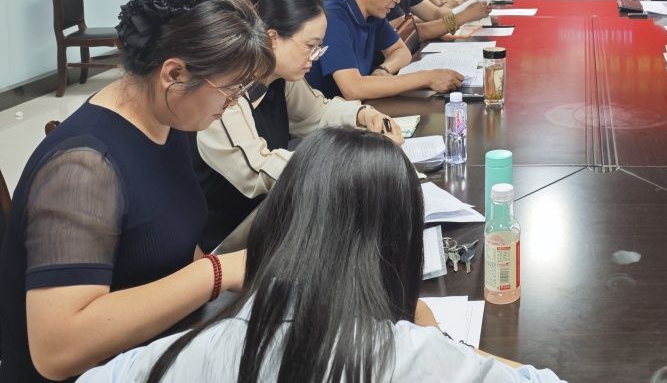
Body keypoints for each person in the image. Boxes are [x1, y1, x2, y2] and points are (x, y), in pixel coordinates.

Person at [79, 127, 564, 383]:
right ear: (397, 244)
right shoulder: (411, 354)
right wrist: (441, 340)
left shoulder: (194, 351)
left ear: (282, 220)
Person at [0, 0, 274, 382]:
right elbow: (56, 350)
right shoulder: (83, 167)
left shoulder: (169, 122)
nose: (233, 104)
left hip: (151, 350)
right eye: (229, 91)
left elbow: (168, 242)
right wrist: (214, 274)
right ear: (174, 74)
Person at [193, 0, 405, 252]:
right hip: (230, 240)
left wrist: (364, 115)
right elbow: (258, 168)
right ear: (272, 38)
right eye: (310, 46)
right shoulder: (226, 93)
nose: (314, 58)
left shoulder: (280, 76)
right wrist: (352, 163)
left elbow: (317, 113)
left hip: (273, 215)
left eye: (319, 48)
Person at [305, 0, 464, 100]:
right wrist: (426, 78)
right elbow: (353, 89)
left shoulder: (373, 10)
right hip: (327, 112)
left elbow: (401, 51)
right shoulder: (332, 16)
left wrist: (384, 69)